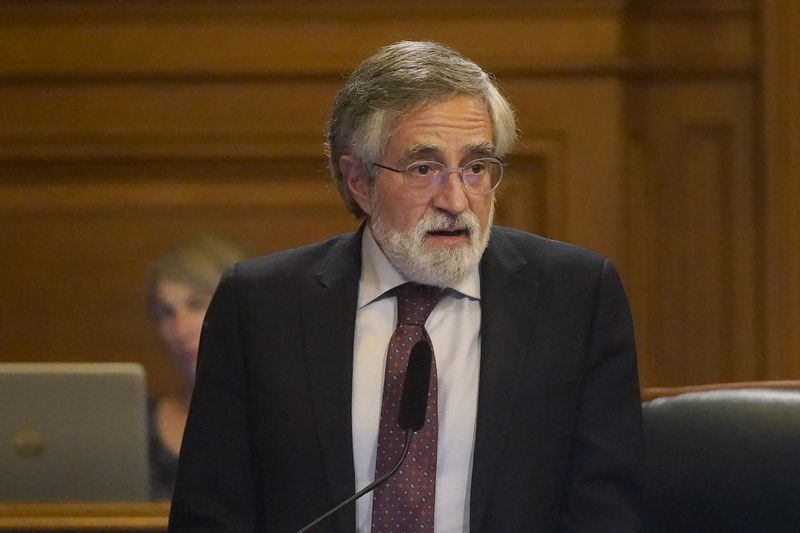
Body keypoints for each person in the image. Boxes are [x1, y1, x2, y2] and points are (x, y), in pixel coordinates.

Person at [169, 41, 642, 532]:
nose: (456, 199)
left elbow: (605, 509)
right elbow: (210, 515)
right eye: (424, 169)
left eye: (476, 167)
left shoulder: (574, 297)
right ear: (358, 181)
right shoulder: (262, 307)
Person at [144, 233, 250, 500]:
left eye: (196, 304)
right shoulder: (136, 426)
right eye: (166, 313)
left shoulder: (289, 421)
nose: (180, 329)